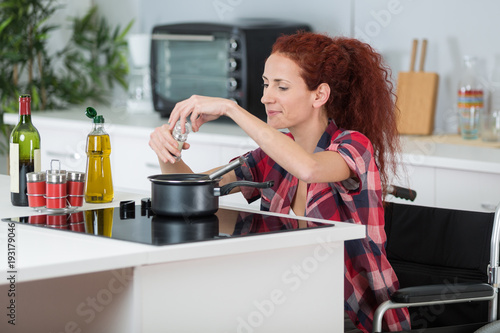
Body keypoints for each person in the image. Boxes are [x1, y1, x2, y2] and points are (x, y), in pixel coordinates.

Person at [149, 31, 411, 332]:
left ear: (319, 95)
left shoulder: (354, 146)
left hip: (355, 320)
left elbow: (309, 168)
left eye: (281, 87)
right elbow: (192, 196)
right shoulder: (273, 155)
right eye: (265, 84)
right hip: (291, 310)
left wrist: (231, 108)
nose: (265, 97)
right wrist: (167, 150)